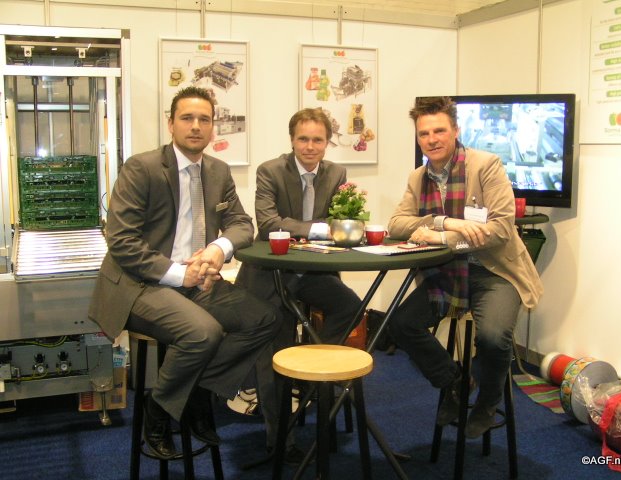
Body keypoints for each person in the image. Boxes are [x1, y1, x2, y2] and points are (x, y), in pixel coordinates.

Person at [88, 86, 281, 459]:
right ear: (171, 124)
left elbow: (242, 224)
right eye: (187, 118)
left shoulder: (218, 171)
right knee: (202, 332)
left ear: (212, 127)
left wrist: (217, 248)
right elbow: (122, 242)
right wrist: (179, 275)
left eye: (204, 119)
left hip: (199, 280)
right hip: (140, 284)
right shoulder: (142, 168)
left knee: (264, 318)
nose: (196, 126)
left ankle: (194, 393)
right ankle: (158, 410)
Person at [387, 96, 543, 438]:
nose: (432, 139)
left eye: (439, 130)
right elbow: (396, 224)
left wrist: (441, 238)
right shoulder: (418, 177)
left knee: (493, 338)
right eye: (424, 133)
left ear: (456, 130)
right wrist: (445, 222)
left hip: (494, 271)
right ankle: (455, 382)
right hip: (446, 273)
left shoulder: (485, 165)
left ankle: (486, 403)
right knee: (400, 324)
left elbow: (500, 229)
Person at [235, 108, 362, 459]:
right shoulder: (270, 170)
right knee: (275, 352)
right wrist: (320, 228)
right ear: (291, 140)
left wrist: (337, 226)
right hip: (270, 276)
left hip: (312, 273)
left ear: (327, 142)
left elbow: (343, 220)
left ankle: (313, 372)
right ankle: (280, 441)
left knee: (350, 306)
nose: (310, 146)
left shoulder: (336, 173)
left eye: (317, 140)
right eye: (303, 139)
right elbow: (268, 224)